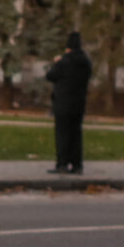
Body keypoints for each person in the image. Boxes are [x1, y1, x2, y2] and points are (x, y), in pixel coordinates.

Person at [45, 31, 92, 175]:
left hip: (63, 103)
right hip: (79, 103)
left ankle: (62, 164)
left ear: (68, 46)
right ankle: (77, 165)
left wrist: (58, 61)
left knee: (62, 134)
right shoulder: (86, 62)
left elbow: (50, 76)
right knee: (76, 134)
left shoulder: (64, 61)